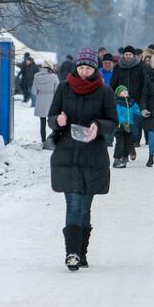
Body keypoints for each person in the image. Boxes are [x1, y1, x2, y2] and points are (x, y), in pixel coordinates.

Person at [47, 47, 118, 271]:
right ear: (76, 67)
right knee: (73, 204)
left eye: (88, 68)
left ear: (94, 69)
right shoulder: (64, 87)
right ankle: (72, 253)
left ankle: (81, 252)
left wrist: (99, 126)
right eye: (81, 68)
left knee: (84, 206)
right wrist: (57, 120)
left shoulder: (105, 91)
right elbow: (51, 116)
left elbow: (113, 122)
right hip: (67, 153)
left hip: (92, 154)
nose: (85, 72)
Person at [111, 45, 147, 156]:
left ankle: (131, 144)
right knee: (122, 130)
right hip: (121, 104)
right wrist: (112, 98)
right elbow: (113, 84)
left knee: (135, 130)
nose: (128, 56)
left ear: (133, 55)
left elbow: (144, 84)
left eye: (130, 54)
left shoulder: (139, 66)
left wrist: (143, 100)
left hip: (135, 102)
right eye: (126, 54)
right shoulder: (118, 67)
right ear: (123, 55)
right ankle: (126, 151)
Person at [113, 85, 141, 168]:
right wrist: (123, 122)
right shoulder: (117, 102)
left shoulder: (131, 101)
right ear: (118, 93)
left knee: (128, 143)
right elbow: (118, 113)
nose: (125, 92)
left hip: (130, 125)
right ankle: (117, 159)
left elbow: (136, 109)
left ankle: (125, 157)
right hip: (120, 126)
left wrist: (141, 113)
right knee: (120, 143)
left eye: (126, 91)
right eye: (123, 91)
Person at [32, 59, 59, 143]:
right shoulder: (54, 76)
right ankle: (52, 140)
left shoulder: (36, 76)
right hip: (52, 101)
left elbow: (33, 91)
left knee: (42, 123)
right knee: (53, 122)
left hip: (40, 101)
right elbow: (57, 90)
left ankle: (43, 141)